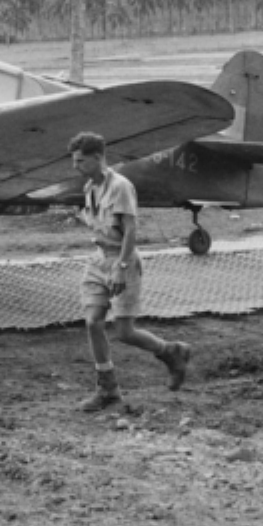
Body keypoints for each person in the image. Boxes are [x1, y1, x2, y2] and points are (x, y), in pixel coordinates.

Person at [68, 131, 191, 411]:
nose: (76, 167)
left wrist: (121, 269)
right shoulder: (90, 187)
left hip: (122, 260)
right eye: (74, 161)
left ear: (98, 158)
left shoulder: (121, 186)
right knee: (92, 321)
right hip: (99, 258)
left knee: (124, 331)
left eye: (81, 161)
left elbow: (131, 231)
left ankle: (171, 352)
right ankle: (108, 389)